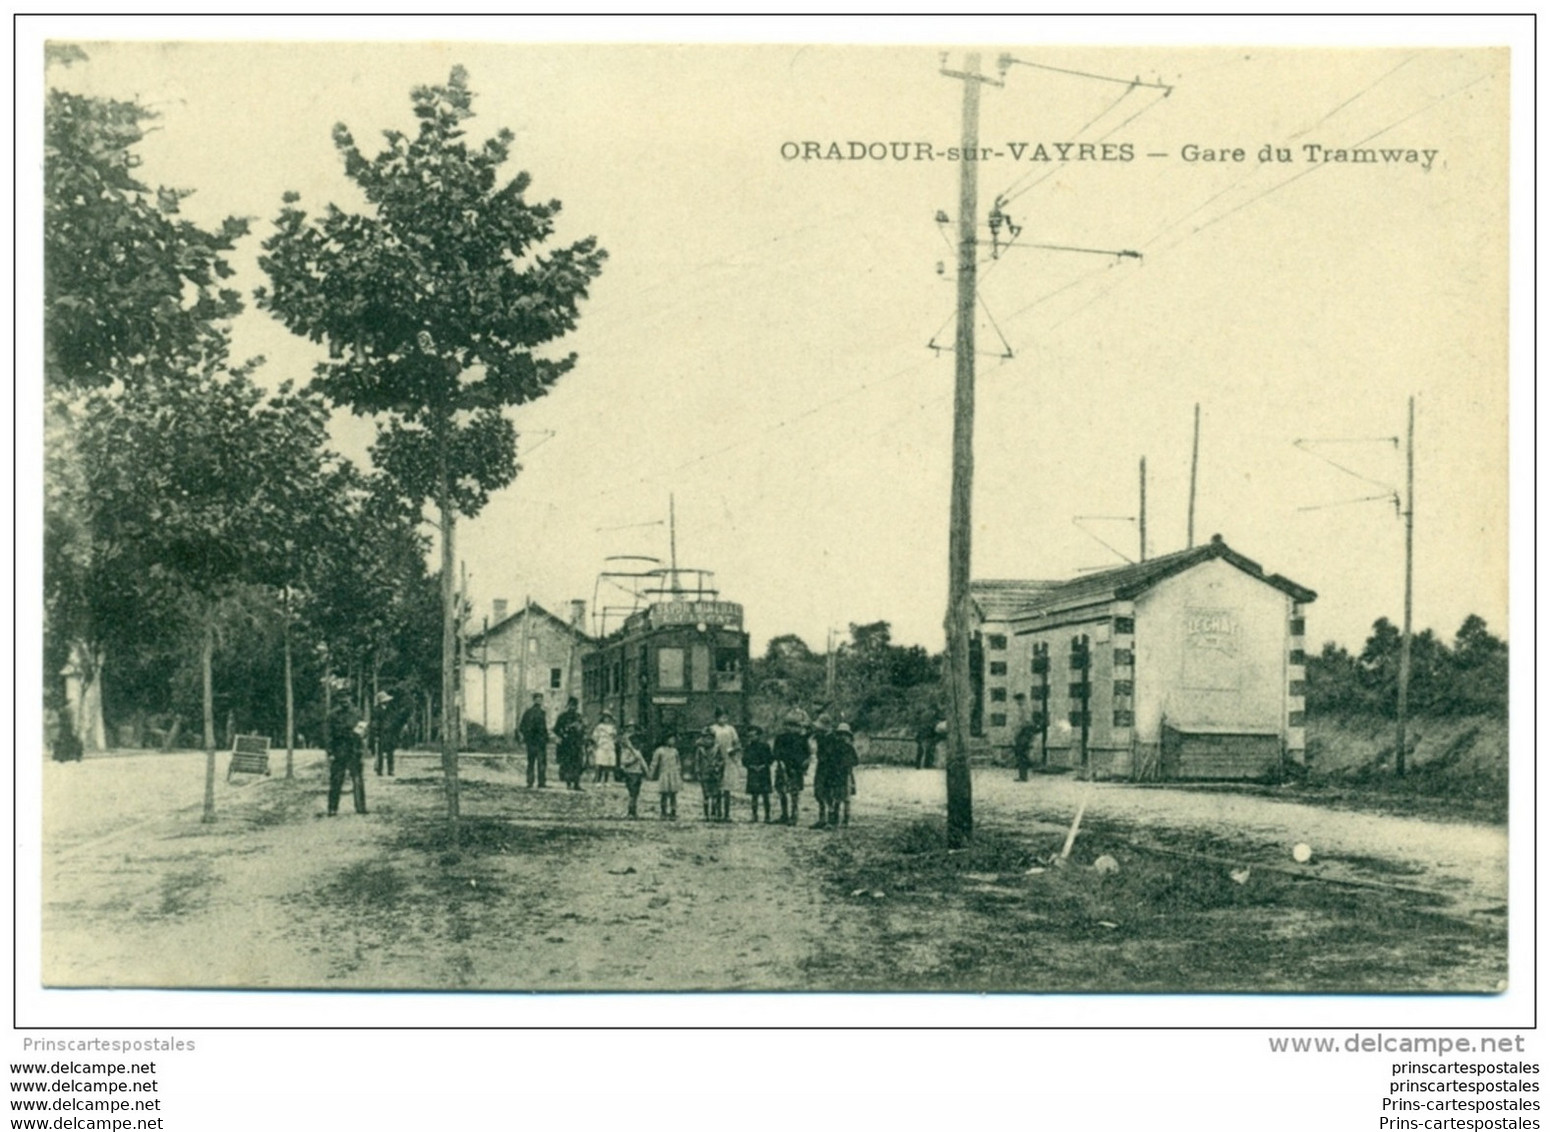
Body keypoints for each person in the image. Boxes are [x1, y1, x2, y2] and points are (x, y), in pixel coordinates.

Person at [326, 702, 368, 816]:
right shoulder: (333, 715)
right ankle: (332, 808)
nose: (344, 700)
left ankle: (361, 807)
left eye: (346, 696)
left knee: (358, 779)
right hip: (339, 750)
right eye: (341, 697)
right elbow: (328, 734)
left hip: (354, 749)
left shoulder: (357, 713)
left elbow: (363, 731)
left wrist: (361, 740)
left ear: (350, 698)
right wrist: (330, 752)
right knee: (336, 780)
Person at [772, 712, 809, 826]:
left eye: (796, 726)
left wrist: (804, 765)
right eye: (790, 725)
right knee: (781, 791)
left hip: (796, 769)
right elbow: (776, 752)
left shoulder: (802, 739)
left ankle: (794, 815)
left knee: (794, 792)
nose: (793, 728)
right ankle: (784, 814)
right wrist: (780, 761)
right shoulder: (780, 738)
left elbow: (807, 754)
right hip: (783, 767)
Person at [811, 716, 847, 829]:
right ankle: (822, 819)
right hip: (822, 768)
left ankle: (832, 821)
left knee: (830, 794)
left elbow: (830, 756)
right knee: (819, 793)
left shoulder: (833, 739)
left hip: (831, 770)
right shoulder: (821, 737)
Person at [710, 709, 742, 823]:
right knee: (717, 788)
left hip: (728, 758)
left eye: (725, 717)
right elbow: (708, 742)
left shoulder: (731, 729)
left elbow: (737, 743)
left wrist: (734, 751)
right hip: (717, 759)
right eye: (721, 717)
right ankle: (717, 813)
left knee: (727, 788)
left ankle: (727, 814)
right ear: (716, 718)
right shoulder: (712, 728)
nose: (723, 719)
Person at [742, 724, 774, 823]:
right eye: (750, 736)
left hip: (764, 773)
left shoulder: (765, 746)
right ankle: (754, 815)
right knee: (754, 795)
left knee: (765, 795)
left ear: (759, 736)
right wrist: (751, 766)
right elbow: (744, 760)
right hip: (753, 773)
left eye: (754, 735)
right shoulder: (748, 747)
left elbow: (770, 759)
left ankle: (767, 816)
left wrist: (763, 766)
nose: (752, 738)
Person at [648, 732, 683, 820]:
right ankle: (663, 811)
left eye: (674, 739)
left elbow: (678, 763)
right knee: (664, 794)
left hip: (673, 774)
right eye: (670, 739)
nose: (672, 741)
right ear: (665, 740)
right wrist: (650, 773)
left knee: (673, 794)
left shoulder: (675, 751)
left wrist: (678, 772)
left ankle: (673, 811)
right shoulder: (660, 750)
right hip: (664, 774)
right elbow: (654, 763)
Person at [554, 696, 586, 790]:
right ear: (568, 705)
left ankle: (576, 783)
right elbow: (556, 729)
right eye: (572, 705)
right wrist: (563, 733)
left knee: (578, 763)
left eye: (575, 706)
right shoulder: (562, 717)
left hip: (577, 743)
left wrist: (581, 729)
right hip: (566, 744)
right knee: (567, 763)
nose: (573, 707)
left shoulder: (579, 717)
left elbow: (583, 729)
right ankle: (568, 783)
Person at [518, 693, 549, 788]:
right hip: (536, 742)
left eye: (540, 699)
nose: (539, 701)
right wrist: (529, 736)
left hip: (535, 742)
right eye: (537, 699)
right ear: (534, 700)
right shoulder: (531, 712)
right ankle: (534, 782)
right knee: (535, 762)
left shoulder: (538, 712)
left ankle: (538, 782)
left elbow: (522, 727)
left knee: (538, 762)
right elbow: (522, 726)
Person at [618, 731, 649, 819]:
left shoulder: (638, 752)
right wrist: (633, 759)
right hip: (630, 774)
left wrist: (647, 772)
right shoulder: (627, 752)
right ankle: (630, 811)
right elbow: (623, 762)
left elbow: (643, 762)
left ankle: (633, 811)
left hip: (638, 773)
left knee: (636, 794)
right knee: (632, 793)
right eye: (635, 742)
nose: (638, 744)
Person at [694, 727, 722, 820]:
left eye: (711, 738)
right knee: (706, 794)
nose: (709, 740)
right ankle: (706, 814)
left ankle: (714, 812)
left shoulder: (717, 748)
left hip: (715, 774)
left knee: (715, 794)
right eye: (707, 738)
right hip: (704, 774)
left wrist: (718, 766)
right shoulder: (700, 749)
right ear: (703, 739)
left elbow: (721, 760)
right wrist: (698, 772)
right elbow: (697, 761)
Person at [1011, 692, 1036, 782]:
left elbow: (1025, 722)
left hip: (1025, 732)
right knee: (1021, 754)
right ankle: (1023, 775)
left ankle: (1023, 776)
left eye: (1018, 700)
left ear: (1022, 699)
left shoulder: (1024, 709)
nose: (1017, 702)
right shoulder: (1024, 708)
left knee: (1021, 754)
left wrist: (1017, 733)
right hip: (1025, 732)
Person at [590, 711, 619, 784]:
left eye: (608, 717)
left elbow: (615, 736)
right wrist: (596, 743)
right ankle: (598, 780)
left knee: (608, 764)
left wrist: (613, 739)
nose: (607, 719)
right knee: (600, 763)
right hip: (602, 745)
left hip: (609, 746)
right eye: (605, 717)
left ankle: (606, 781)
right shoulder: (599, 726)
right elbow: (595, 736)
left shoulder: (612, 727)